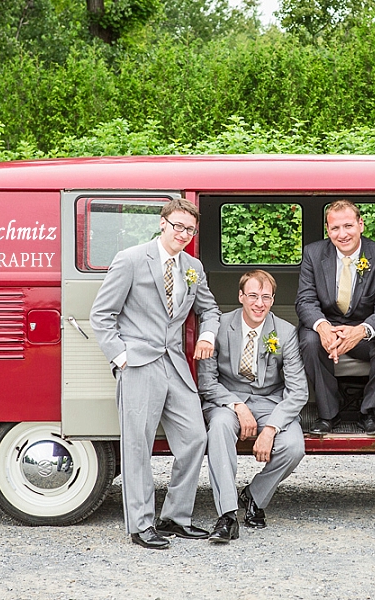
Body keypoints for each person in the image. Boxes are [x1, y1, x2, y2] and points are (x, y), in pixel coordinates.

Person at [89, 198, 220, 550]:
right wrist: (121, 357)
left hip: (176, 363)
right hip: (139, 363)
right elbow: (101, 315)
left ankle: (175, 518)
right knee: (137, 445)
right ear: (163, 223)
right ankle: (141, 524)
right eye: (178, 226)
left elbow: (210, 310)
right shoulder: (131, 259)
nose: (183, 233)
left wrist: (207, 334)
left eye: (190, 229)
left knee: (195, 438)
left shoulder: (193, 266)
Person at [198, 270, 308, 543]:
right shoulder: (221, 326)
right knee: (220, 427)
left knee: (294, 446)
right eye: (253, 296)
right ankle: (227, 515)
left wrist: (270, 428)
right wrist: (237, 405)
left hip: (269, 402)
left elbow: (298, 391)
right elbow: (207, 383)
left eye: (266, 297)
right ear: (241, 296)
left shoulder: (284, 331)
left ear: (272, 299)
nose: (259, 303)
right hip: (227, 399)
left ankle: (254, 495)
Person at [295, 200, 375, 436]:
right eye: (335, 228)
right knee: (309, 340)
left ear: (360, 225)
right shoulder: (313, 254)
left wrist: (360, 331)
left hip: (364, 332)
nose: (342, 234)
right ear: (328, 230)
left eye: (348, 226)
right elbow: (305, 301)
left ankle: (372, 414)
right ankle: (328, 415)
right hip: (326, 329)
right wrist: (323, 327)